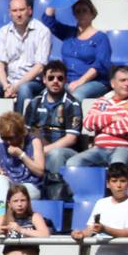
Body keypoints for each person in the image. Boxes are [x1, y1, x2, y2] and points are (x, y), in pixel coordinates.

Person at [24, 59, 82, 198]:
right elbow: (26, 132)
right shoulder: (34, 103)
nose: (55, 81)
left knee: (55, 155)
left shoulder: (72, 104)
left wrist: (43, 150)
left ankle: (53, 197)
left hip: (64, 151)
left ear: (65, 80)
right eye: (51, 78)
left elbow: (71, 139)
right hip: (39, 148)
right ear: (44, 80)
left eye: (60, 78)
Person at [70, 65, 128, 167]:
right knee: (73, 163)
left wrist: (100, 126)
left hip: (126, 149)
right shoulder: (102, 101)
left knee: (116, 166)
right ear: (113, 84)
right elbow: (88, 123)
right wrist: (112, 118)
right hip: (99, 149)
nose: (127, 84)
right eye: (123, 80)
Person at [0, 110, 43, 199]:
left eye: (11, 138)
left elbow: (40, 172)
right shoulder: (2, 147)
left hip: (30, 185)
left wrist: (21, 155)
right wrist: (0, 173)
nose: (8, 141)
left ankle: (6, 208)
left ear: (20, 133)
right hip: (10, 184)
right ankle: (7, 208)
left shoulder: (34, 142)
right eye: (4, 138)